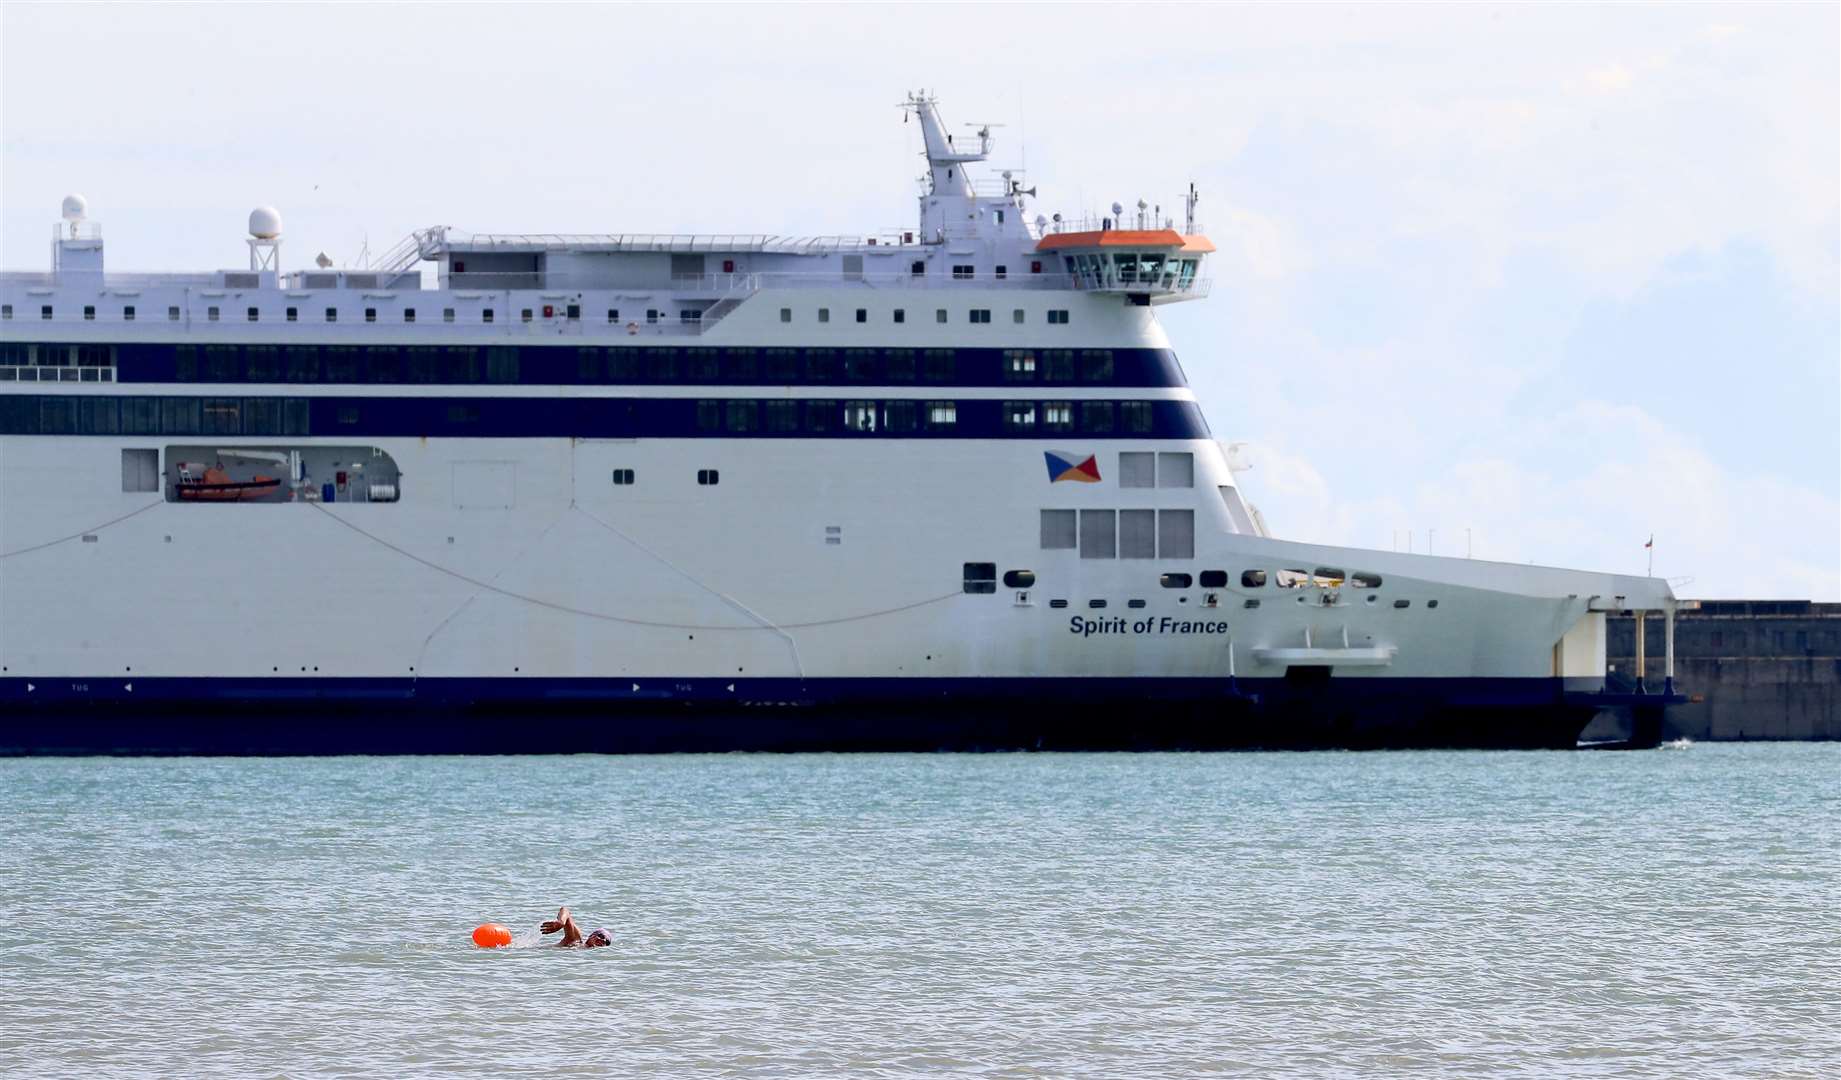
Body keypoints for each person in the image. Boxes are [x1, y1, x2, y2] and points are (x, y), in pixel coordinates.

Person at [539, 905, 611, 948]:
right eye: (601, 936)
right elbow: (565, 910)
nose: (603, 940)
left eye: (607, 942)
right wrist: (561, 922)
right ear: (591, 936)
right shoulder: (575, 940)